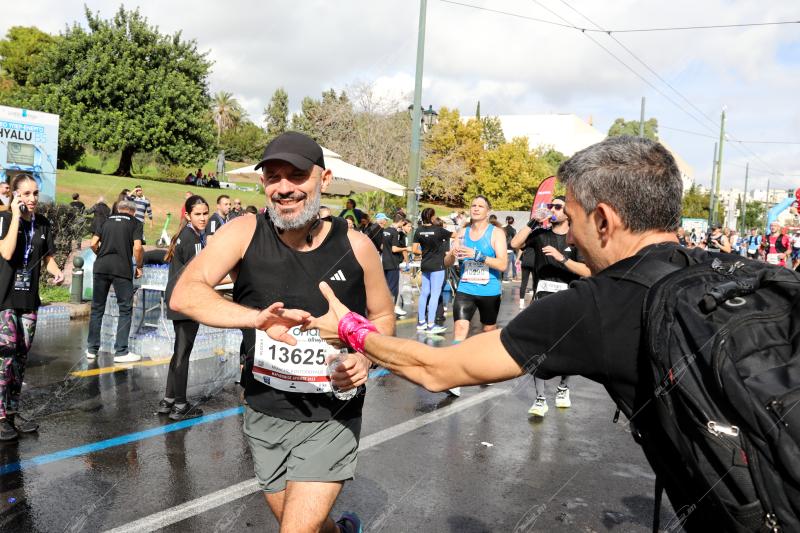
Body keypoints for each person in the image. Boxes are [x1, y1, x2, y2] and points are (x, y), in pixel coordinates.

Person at [305, 136, 742, 532]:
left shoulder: (599, 302)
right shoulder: (736, 272)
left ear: (604, 220)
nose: (571, 237)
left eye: (573, 220)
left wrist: (349, 328)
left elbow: (437, 369)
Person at [170, 131, 395, 533]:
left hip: (331, 415)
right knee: (306, 523)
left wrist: (364, 358)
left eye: (297, 175)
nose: (284, 187)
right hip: (263, 412)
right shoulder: (244, 232)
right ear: (263, 184)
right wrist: (254, 318)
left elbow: (382, 315)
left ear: (324, 179)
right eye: (274, 177)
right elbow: (185, 294)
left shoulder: (357, 246)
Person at [510, 195, 590, 416]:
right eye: (550, 206)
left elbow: (588, 271)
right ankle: (540, 398)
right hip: (542, 298)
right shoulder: (540, 234)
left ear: (568, 212)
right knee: (539, 348)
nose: (552, 209)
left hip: (569, 298)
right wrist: (534, 221)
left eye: (557, 206)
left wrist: (562, 259)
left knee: (566, 348)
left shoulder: (575, 238)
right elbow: (514, 244)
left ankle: (563, 388)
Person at [0, 174, 64, 440]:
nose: (32, 198)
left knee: (20, 359)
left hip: (28, 301)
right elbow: (6, 252)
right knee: (4, 358)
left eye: (35, 193)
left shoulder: (43, 223)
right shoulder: (4, 219)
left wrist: (57, 271)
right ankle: (0, 416)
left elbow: (48, 258)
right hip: (4, 299)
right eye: (26, 193)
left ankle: (12, 412)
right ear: (15, 195)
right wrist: (16, 215)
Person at [444, 195, 508, 395]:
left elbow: (502, 264)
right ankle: (454, 378)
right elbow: (446, 263)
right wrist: (452, 254)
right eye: (473, 205)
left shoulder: (496, 233)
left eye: (481, 206)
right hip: (466, 288)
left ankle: (486, 370)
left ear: (488, 211)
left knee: (488, 332)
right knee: (460, 329)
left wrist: (477, 255)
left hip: (489, 290)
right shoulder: (462, 232)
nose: (476, 208)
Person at [160, 195, 210, 420]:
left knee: (179, 351)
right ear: (188, 216)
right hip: (187, 300)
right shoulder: (193, 239)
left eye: (205, 213)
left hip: (177, 297)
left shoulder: (185, 234)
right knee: (183, 353)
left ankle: (169, 399)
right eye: (198, 214)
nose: (203, 218)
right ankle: (180, 404)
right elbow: (200, 275)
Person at [86, 200, 144, 363]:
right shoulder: (136, 223)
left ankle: (91, 349)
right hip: (122, 269)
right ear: (133, 211)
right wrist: (139, 266)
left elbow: (93, 243)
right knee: (125, 309)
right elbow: (138, 248)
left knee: (97, 308)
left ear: (118, 209)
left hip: (101, 267)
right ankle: (121, 351)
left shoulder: (105, 220)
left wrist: (101, 254)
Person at [413, 208, 451, 335]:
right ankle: (431, 325)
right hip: (437, 265)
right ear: (432, 217)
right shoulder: (439, 230)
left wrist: (425, 252)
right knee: (435, 294)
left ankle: (421, 322)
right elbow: (455, 235)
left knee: (424, 293)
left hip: (425, 264)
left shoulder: (418, 230)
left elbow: (414, 249)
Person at [377, 213, 410, 317]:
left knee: (385, 286)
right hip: (392, 263)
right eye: (403, 223)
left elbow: (382, 246)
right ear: (400, 222)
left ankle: (382, 308)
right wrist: (406, 248)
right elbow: (394, 249)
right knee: (393, 288)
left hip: (384, 261)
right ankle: (391, 310)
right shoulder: (395, 232)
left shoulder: (385, 230)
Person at [503, 216, 517, 281]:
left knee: (506, 262)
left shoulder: (503, 229)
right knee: (512, 262)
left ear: (506, 221)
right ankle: (506, 277)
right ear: (513, 222)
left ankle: (504, 276)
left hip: (503, 248)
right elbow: (515, 239)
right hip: (511, 248)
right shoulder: (513, 230)